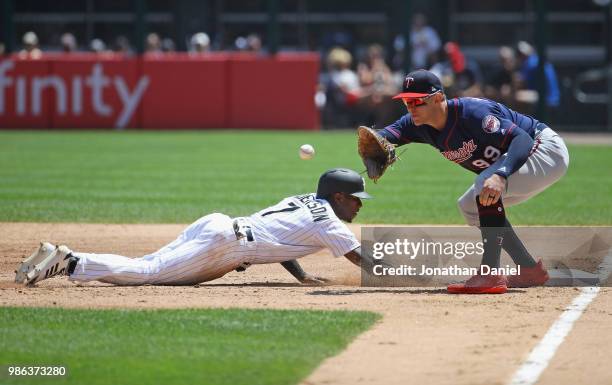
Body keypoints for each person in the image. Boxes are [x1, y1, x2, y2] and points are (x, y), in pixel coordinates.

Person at [375, 69, 569, 294]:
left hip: (544, 149)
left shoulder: (473, 114)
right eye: (407, 102)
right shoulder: (416, 124)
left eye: (417, 101)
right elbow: (383, 136)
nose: (411, 108)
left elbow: (522, 139)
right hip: (522, 158)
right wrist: (372, 144)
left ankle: (490, 273)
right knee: (469, 206)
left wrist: (501, 174)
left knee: (484, 184)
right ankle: (528, 269)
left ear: (438, 98)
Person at [16, 168, 373, 287]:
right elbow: (362, 260)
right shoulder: (327, 220)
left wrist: (302, 276)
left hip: (219, 224)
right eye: (356, 198)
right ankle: (70, 261)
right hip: (226, 246)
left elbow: (281, 238)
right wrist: (410, 273)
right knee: (148, 272)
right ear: (338, 196)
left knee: (150, 263)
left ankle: (54, 257)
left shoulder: (305, 199)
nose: (359, 204)